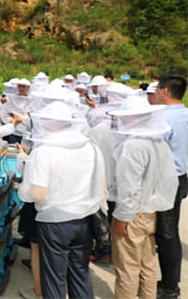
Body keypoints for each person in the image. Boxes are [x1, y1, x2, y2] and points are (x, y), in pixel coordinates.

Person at [18, 101, 105, 299]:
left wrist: (23, 184)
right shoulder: (91, 148)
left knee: (54, 280)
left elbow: (37, 193)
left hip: (55, 223)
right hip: (85, 220)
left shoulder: (44, 152)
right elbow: (102, 188)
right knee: (80, 275)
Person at [107, 96, 178, 299]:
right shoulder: (158, 142)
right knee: (147, 266)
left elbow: (129, 187)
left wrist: (122, 216)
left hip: (132, 215)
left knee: (127, 269)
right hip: (150, 213)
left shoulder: (132, 146)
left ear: (132, 118)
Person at [154, 74, 188, 299]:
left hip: (168, 180)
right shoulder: (185, 114)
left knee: (166, 235)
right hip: (181, 176)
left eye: (157, 88)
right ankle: (170, 281)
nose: (155, 92)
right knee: (171, 232)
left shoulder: (163, 118)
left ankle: (169, 288)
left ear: (165, 92)